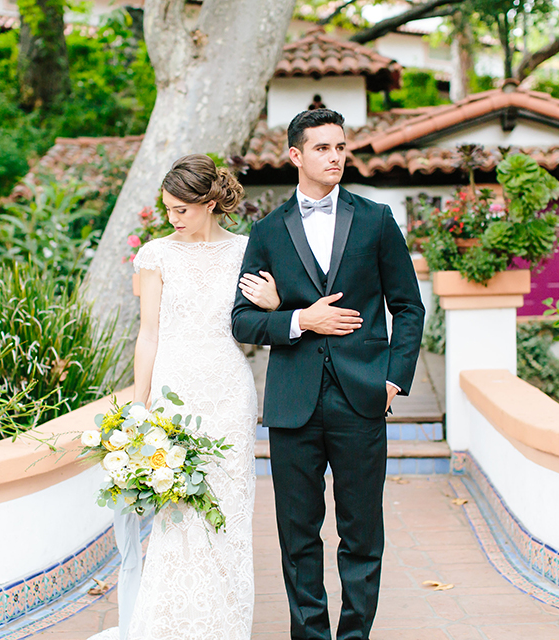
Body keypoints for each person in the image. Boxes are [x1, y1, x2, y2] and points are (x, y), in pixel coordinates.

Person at [231, 108, 425, 640]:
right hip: (294, 403)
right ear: (295, 155)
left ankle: (355, 636)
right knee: (297, 537)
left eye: (340, 146)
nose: (335, 156)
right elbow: (242, 319)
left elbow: (408, 307)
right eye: (322, 148)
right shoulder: (267, 231)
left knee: (362, 532)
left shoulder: (376, 220)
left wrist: (393, 379)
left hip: (362, 396)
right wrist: (298, 318)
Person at [89, 154, 280, 640]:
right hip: (174, 392)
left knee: (229, 510)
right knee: (179, 510)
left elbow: (262, 325)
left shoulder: (247, 250)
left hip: (227, 390)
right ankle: (172, 625)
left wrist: (277, 305)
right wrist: (140, 402)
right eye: (168, 209)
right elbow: (148, 333)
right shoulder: (156, 254)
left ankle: (226, 626)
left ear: (212, 203)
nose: (172, 218)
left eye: (181, 209)